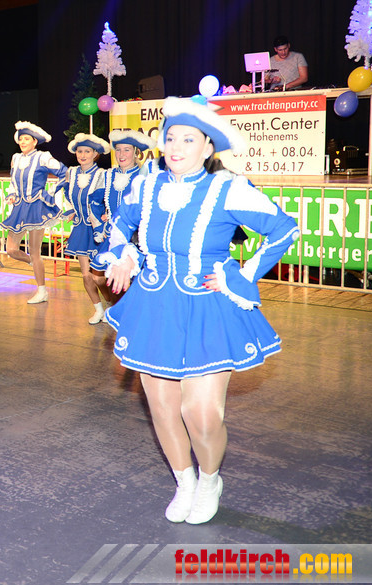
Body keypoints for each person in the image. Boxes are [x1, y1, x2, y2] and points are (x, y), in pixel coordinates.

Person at [102, 96, 300, 524]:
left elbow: (285, 229)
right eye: (170, 137)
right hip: (154, 306)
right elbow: (119, 225)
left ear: (208, 147)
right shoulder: (146, 185)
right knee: (162, 408)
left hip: (209, 309)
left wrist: (241, 275)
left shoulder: (227, 187)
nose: (176, 146)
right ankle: (185, 481)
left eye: (188, 139)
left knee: (201, 414)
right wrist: (125, 256)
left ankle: (210, 481)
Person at [89, 128, 155, 318]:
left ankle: (129, 316)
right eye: (118, 149)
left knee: (133, 280)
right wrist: (100, 225)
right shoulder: (108, 175)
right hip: (112, 235)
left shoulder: (144, 175)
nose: (121, 154)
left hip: (136, 237)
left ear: (136, 152)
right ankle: (113, 305)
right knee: (97, 277)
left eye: (127, 149)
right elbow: (94, 201)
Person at [0, 121, 67, 304]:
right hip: (19, 208)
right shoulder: (16, 158)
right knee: (11, 250)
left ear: (35, 141)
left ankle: (42, 291)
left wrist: (51, 192)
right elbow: (13, 182)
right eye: (21, 139)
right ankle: (33, 263)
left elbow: (65, 173)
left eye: (27, 139)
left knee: (35, 251)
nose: (23, 142)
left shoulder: (43, 157)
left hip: (37, 207)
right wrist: (12, 194)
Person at [56, 133, 111, 324]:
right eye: (80, 151)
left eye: (87, 151)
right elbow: (66, 194)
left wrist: (108, 213)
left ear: (95, 154)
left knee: (99, 277)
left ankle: (112, 306)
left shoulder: (103, 175)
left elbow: (109, 198)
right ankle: (98, 309)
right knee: (86, 275)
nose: (83, 155)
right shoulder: (71, 173)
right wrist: (71, 209)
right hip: (80, 228)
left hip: (98, 230)